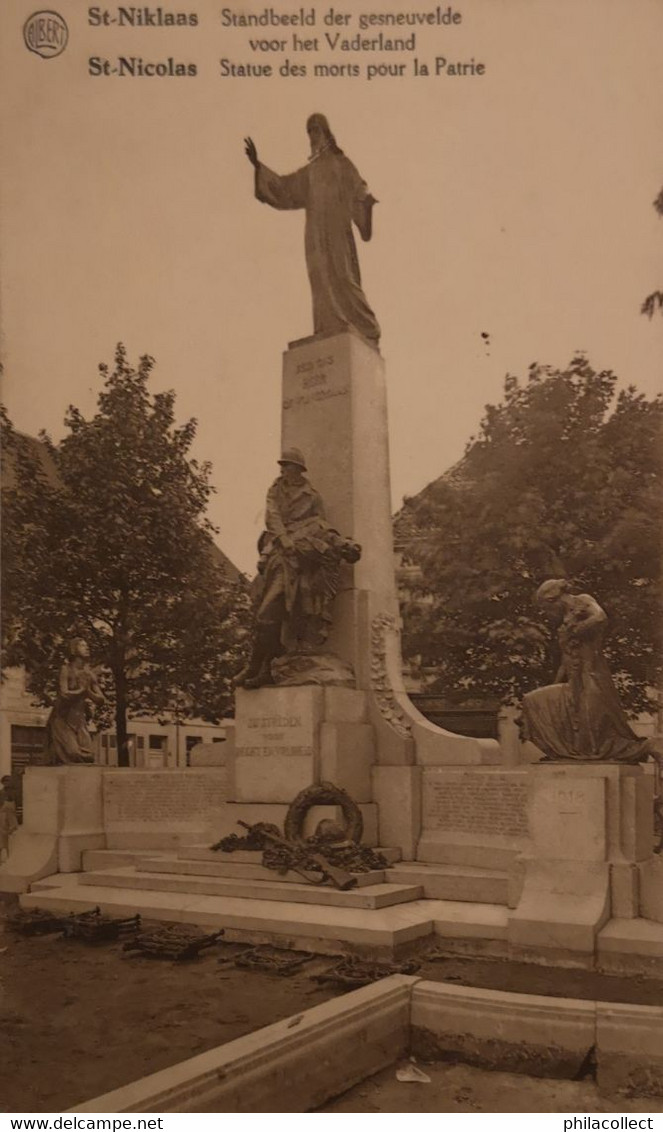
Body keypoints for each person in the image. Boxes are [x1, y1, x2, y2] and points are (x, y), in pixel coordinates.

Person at [244, 114, 381, 345]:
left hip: (337, 232)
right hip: (315, 237)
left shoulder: (341, 164)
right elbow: (284, 188)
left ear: (326, 132)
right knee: (321, 280)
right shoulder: (309, 173)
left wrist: (364, 202)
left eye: (316, 130)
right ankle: (328, 326)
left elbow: (359, 188)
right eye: (309, 131)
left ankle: (367, 327)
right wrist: (258, 166)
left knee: (343, 275)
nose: (312, 136)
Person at [236, 448, 361, 689]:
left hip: (294, 571)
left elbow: (326, 530)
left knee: (269, 616)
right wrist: (283, 539)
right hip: (276, 560)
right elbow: (271, 517)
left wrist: (347, 545)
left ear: (298, 470)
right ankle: (258, 667)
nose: (283, 470)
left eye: (287, 466)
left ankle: (261, 668)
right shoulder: (275, 490)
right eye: (282, 466)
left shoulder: (311, 500)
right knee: (263, 617)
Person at [522, 579, 649, 763]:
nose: (548, 613)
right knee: (535, 701)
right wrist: (556, 687)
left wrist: (577, 629)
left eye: (546, 608)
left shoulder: (582, 600)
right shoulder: (562, 626)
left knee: (591, 723)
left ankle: (641, 748)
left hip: (592, 673)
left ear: (553, 599)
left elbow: (600, 617)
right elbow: (565, 662)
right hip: (574, 678)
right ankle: (564, 752)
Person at [46, 636, 105, 764]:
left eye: (86, 645)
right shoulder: (65, 670)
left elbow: (101, 699)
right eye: (82, 645)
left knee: (89, 756)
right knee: (74, 753)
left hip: (79, 720)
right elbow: (64, 694)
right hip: (62, 719)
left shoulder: (89, 674)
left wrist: (88, 692)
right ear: (73, 649)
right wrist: (82, 691)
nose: (87, 647)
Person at [0, 775, 18, 861]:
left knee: (13, 835)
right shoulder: (1, 793)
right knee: (3, 837)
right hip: (2, 816)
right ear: (2, 782)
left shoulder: (14, 793)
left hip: (12, 817)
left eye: (9, 781)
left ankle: (12, 857)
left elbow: (16, 805)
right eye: (6, 781)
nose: (8, 783)